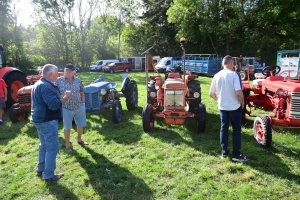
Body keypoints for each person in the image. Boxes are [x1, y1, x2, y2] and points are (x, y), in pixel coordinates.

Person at [31, 64, 72, 181]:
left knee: (43, 145)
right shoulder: (46, 86)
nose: (58, 75)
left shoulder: (38, 84)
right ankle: (48, 175)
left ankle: (41, 169)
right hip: (47, 121)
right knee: (52, 147)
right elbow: (54, 105)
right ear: (50, 74)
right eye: (56, 73)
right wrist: (66, 97)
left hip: (39, 120)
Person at [209, 55, 249, 162]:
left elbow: (211, 93)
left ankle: (224, 152)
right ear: (231, 64)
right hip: (234, 107)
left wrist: (219, 99)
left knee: (224, 129)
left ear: (223, 64)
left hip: (222, 107)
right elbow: (239, 92)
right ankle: (236, 154)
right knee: (236, 129)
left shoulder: (216, 75)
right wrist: (242, 102)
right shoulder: (234, 75)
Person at [56, 63, 88, 151]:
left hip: (79, 106)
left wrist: (83, 104)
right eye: (66, 71)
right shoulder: (59, 81)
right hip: (66, 108)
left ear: (74, 72)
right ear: (64, 71)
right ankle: (67, 144)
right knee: (67, 127)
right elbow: (54, 92)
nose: (68, 73)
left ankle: (79, 139)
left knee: (80, 124)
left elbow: (82, 92)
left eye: (70, 71)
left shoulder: (78, 80)